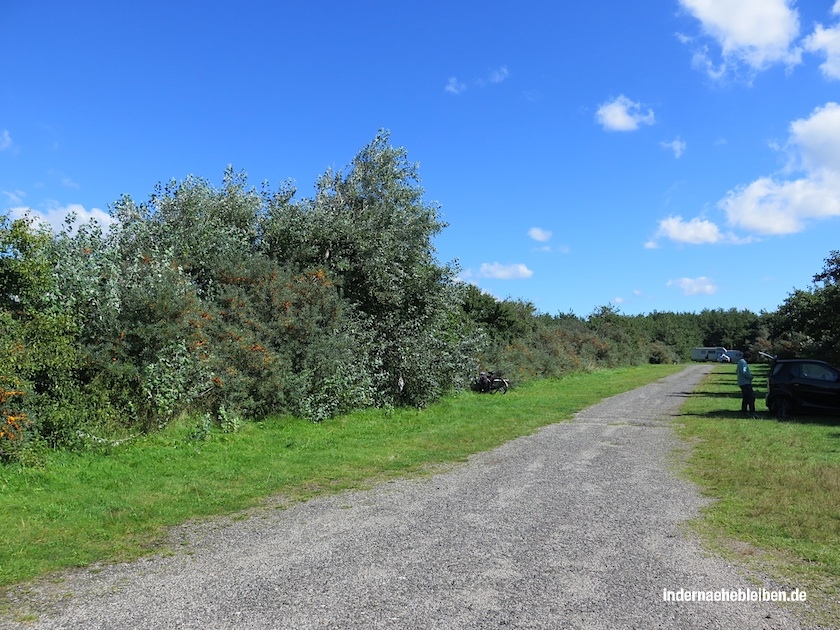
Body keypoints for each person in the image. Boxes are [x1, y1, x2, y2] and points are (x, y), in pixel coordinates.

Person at [736, 351, 756, 416]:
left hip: (741, 382)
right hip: (745, 383)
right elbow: (744, 372)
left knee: (745, 397)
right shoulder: (743, 362)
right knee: (751, 397)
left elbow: (737, 371)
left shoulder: (740, 362)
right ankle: (752, 411)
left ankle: (744, 411)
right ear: (748, 357)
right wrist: (750, 377)